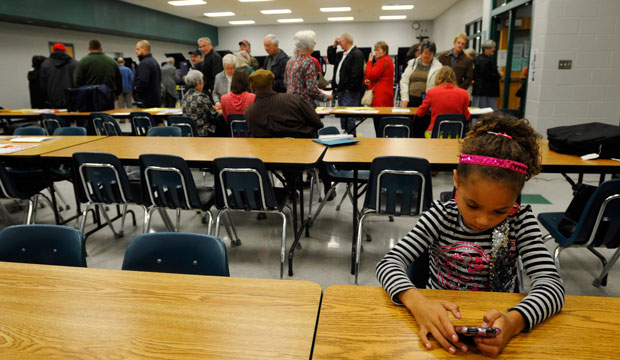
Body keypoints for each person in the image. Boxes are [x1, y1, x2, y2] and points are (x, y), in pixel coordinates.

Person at [376, 113, 565, 357]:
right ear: (456, 181)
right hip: (437, 323)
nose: (483, 220)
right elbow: (389, 263)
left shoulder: (519, 222)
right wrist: (418, 303)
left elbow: (551, 285)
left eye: (500, 210)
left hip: (496, 325)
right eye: (472, 205)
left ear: (515, 198)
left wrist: (513, 321)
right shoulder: (442, 216)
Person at [246, 69, 323, 138]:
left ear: (252, 88)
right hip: (302, 148)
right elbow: (317, 123)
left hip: (268, 151)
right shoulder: (294, 99)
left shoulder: (249, 112)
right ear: (273, 84)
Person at [399, 41, 442, 137]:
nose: (427, 56)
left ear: (434, 54)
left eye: (430, 54)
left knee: (425, 127)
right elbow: (404, 81)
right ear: (421, 52)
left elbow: (439, 85)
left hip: (427, 101)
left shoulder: (439, 67)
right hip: (412, 99)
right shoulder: (412, 63)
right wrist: (404, 98)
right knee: (412, 127)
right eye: (425, 53)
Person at [415, 66, 470, 137]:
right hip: (456, 133)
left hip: (436, 133)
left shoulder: (431, 92)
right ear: (454, 78)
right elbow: (467, 116)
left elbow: (420, 113)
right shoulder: (464, 93)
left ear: (438, 78)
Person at [327, 32, 365, 135]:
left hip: (350, 91)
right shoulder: (341, 54)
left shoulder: (357, 53)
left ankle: (351, 136)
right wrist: (333, 46)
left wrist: (349, 88)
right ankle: (345, 135)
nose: (339, 43)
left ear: (345, 41)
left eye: (340, 41)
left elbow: (356, 74)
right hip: (341, 90)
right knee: (343, 116)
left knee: (350, 117)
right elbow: (331, 60)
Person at [284, 30, 332, 109]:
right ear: (309, 45)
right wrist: (327, 97)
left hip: (290, 103)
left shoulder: (290, 61)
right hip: (304, 105)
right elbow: (311, 89)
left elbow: (286, 82)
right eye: (314, 43)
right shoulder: (308, 62)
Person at [363, 41, 394, 135]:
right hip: (386, 95)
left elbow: (371, 74)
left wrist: (369, 62)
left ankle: (380, 141)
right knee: (385, 122)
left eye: (378, 50)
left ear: (384, 51)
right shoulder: (389, 60)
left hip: (380, 97)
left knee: (379, 122)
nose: (376, 52)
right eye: (375, 50)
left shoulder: (382, 61)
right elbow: (379, 77)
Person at [181, 70, 220, 136]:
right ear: (198, 84)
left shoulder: (184, 97)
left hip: (189, 132)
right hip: (203, 132)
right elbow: (214, 115)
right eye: (202, 81)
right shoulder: (202, 97)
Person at [40, 43, 77, 109]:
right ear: (65, 50)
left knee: (57, 118)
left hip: (54, 100)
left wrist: (46, 98)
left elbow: (43, 84)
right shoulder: (75, 63)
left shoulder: (45, 64)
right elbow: (79, 81)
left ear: (53, 50)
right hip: (72, 98)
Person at [472, 41, 503, 110]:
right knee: (485, 112)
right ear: (486, 49)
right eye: (492, 48)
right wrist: (498, 75)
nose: (494, 49)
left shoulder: (480, 59)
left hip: (481, 90)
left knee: (478, 111)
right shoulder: (484, 60)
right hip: (485, 91)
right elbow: (486, 75)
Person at [133, 40, 161, 108]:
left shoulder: (144, 63)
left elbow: (142, 80)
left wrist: (135, 89)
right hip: (155, 100)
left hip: (146, 102)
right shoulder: (154, 62)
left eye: (138, 49)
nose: (136, 51)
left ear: (144, 50)